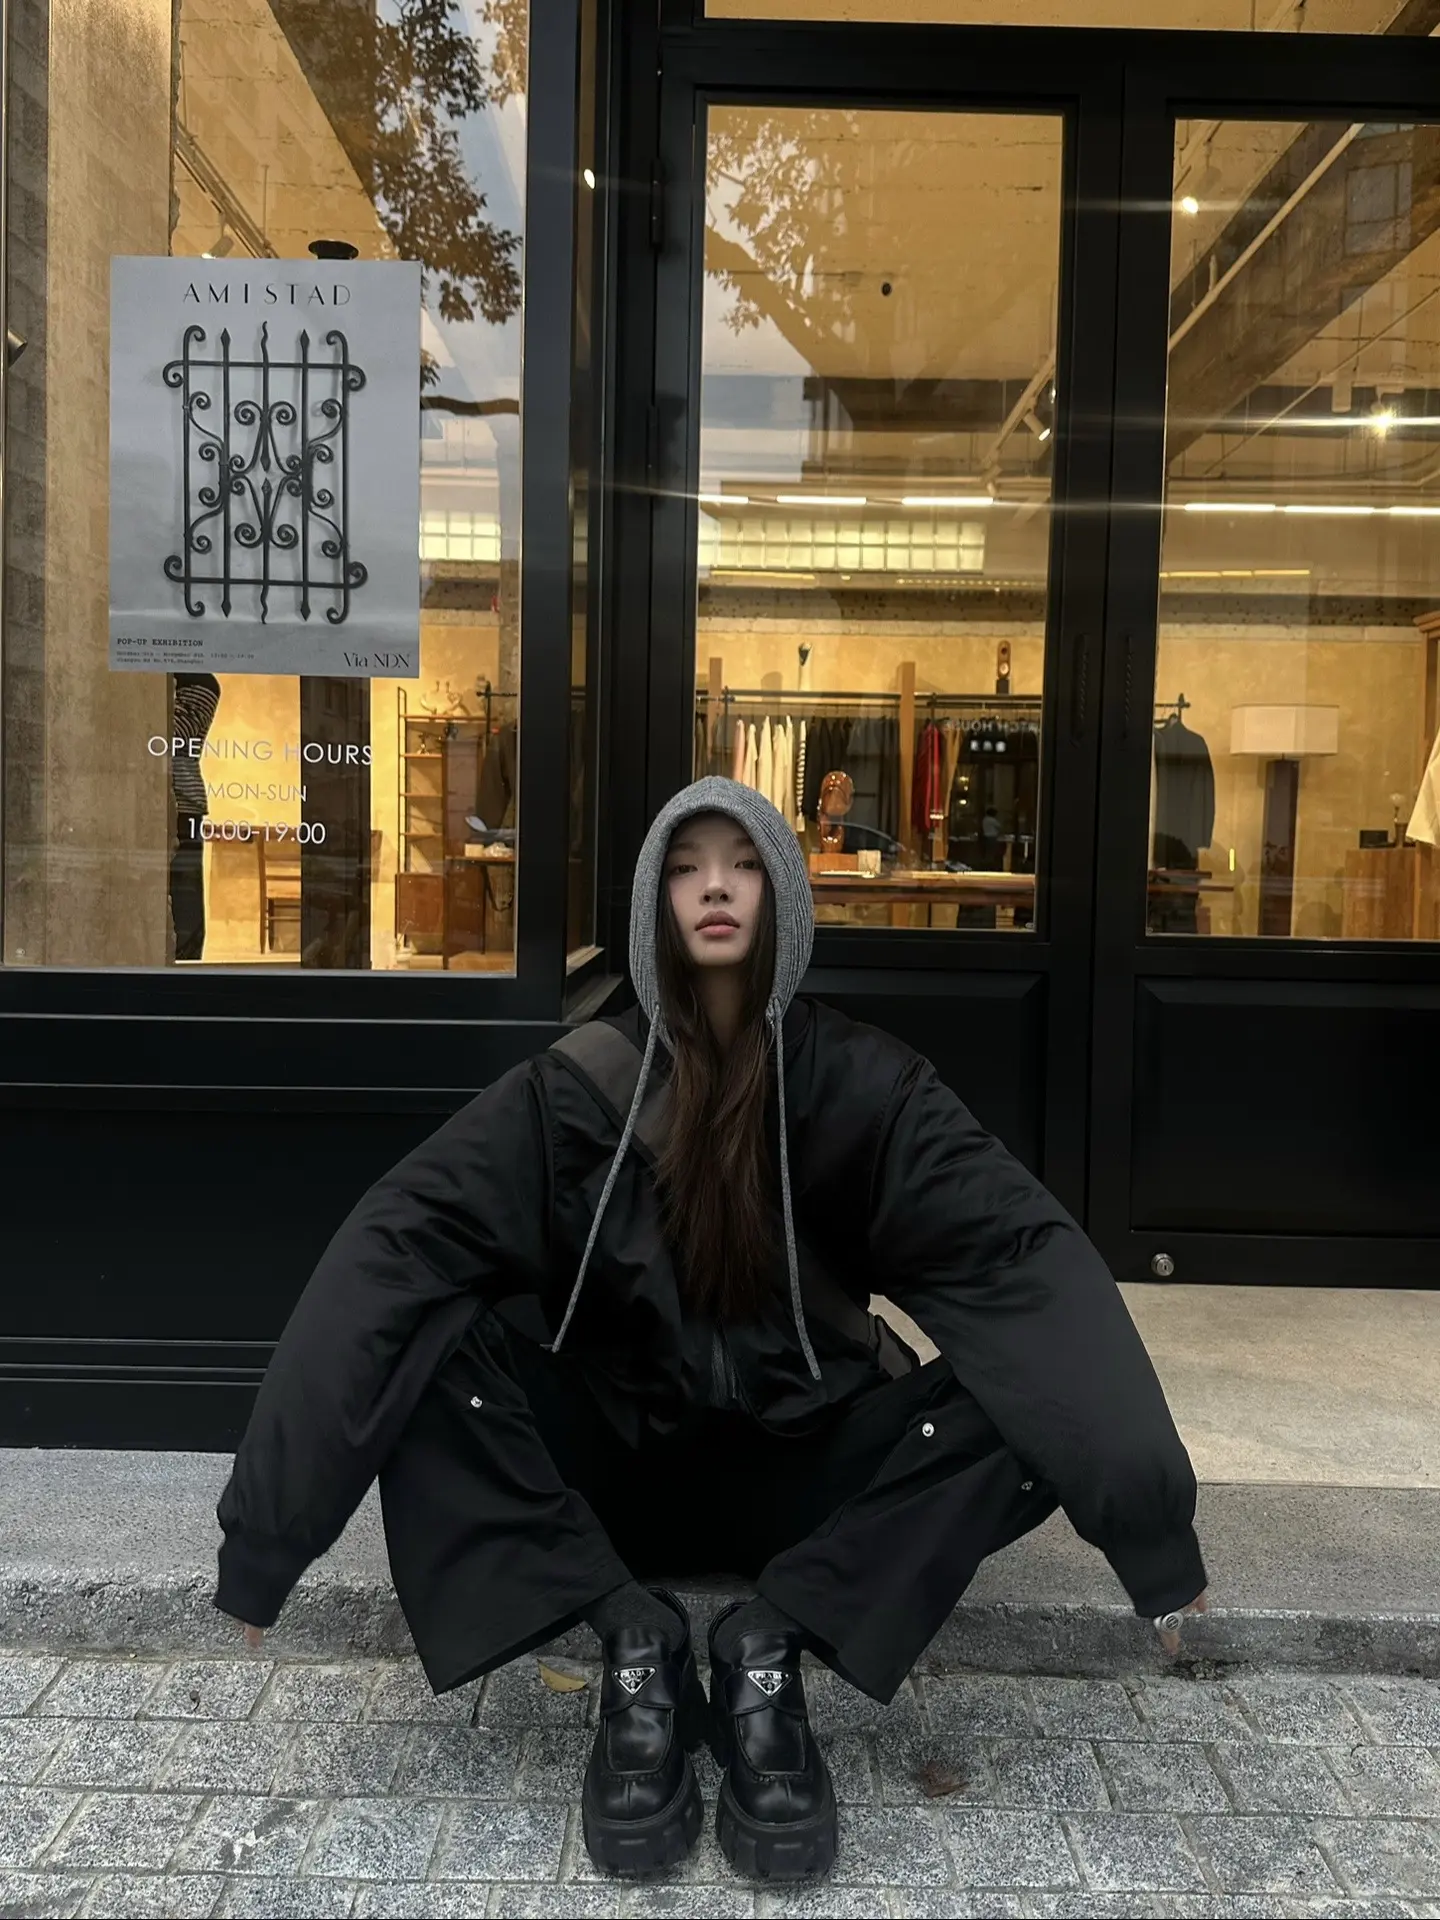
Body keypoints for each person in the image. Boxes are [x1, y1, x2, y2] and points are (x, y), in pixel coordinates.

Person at [215, 776, 1207, 1882]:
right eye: (686, 869)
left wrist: (1148, 1523)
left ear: (783, 894)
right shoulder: (570, 1095)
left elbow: (1021, 1260)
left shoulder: (866, 1086)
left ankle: (767, 1643)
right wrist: (270, 1539)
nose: (716, 889)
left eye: (742, 866)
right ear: (656, 904)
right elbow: (394, 1249)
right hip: (612, 1480)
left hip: (809, 1480)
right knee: (427, 1345)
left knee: (1022, 1390)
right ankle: (631, 1638)